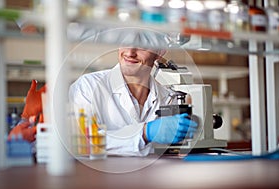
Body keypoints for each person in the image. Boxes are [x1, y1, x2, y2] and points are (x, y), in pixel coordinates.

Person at [69, 31, 198, 156]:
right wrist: (145, 133)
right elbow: (83, 141)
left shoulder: (170, 99)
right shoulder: (88, 86)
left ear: (160, 52)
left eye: (142, 46)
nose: (130, 53)